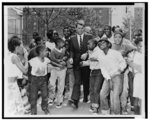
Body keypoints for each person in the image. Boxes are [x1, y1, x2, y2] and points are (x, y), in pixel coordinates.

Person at [99, 38, 127, 115]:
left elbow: (123, 62)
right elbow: (103, 69)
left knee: (115, 97)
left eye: (103, 43)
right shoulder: (100, 56)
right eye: (100, 44)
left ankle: (117, 115)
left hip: (117, 75)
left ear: (108, 44)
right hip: (107, 77)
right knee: (102, 94)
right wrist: (108, 79)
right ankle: (106, 112)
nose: (101, 44)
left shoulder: (115, 53)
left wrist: (120, 70)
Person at [69, 20, 93, 108]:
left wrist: (87, 53)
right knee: (77, 81)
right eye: (78, 28)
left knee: (86, 81)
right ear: (76, 29)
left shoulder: (89, 37)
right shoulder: (72, 39)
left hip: (86, 63)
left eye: (82, 28)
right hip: (76, 63)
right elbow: (71, 50)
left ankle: (86, 96)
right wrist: (71, 58)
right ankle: (75, 100)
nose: (80, 30)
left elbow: (92, 47)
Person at [112, 31, 137, 114]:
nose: (117, 39)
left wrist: (128, 57)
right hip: (114, 73)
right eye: (116, 37)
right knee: (115, 92)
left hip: (124, 72)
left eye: (119, 37)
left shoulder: (125, 46)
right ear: (113, 38)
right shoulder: (110, 46)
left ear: (122, 38)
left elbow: (136, 48)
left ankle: (123, 108)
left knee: (124, 91)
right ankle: (116, 110)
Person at [80, 39, 107, 114]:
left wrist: (95, 59)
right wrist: (83, 63)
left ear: (94, 45)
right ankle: (92, 104)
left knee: (96, 89)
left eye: (89, 44)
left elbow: (102, 59)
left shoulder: (99, 51)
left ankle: (96, 107)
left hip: (99, 72)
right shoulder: (90, 51)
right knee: (91, 89)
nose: (87, 45)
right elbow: (90, 62)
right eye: (87, 44)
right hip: (92, 72)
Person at [6, 36, 28, 115]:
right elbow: (25, 70)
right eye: (22, 45)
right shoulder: (14, 57)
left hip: (11, 84)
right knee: (15, 110)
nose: (23, 48)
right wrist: (26, 58)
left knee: (14, 108)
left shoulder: (10, 56)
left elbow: (15, 72)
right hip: (11, 86)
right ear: (16, 47)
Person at [29, 45, 51, 115]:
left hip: (44, 79)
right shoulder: (33, 60)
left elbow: (51, 62)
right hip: (34, 80)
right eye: (46, 51)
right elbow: (28, 66)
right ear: (41, 52)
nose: (47, 52)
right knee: (33, 97)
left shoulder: (46, 59)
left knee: (45, 95)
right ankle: (33, 111)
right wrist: (28, 77)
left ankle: (44, 107)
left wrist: (58, 64)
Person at [48, 38, 67, 108]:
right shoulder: (53, 51)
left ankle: (59, 100)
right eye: (62, 43)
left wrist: (65, 59)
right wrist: (59, 63)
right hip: (54, 69)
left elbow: (66, 56)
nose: (63, 44)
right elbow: (51, 61)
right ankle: (51, 98)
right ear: (58, 43)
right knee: (52, 84)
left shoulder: (64, 49)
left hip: (62, 70)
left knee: (61, 85)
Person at [127, 38, 143, 115]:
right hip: (134, 75)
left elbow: (141, 68)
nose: (142, 48)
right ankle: (135, 109)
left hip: (141, 77)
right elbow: (128, 61)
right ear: (136, 46)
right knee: (133, 93)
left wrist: (131, 63)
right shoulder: (132, 53)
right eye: (140, 46)